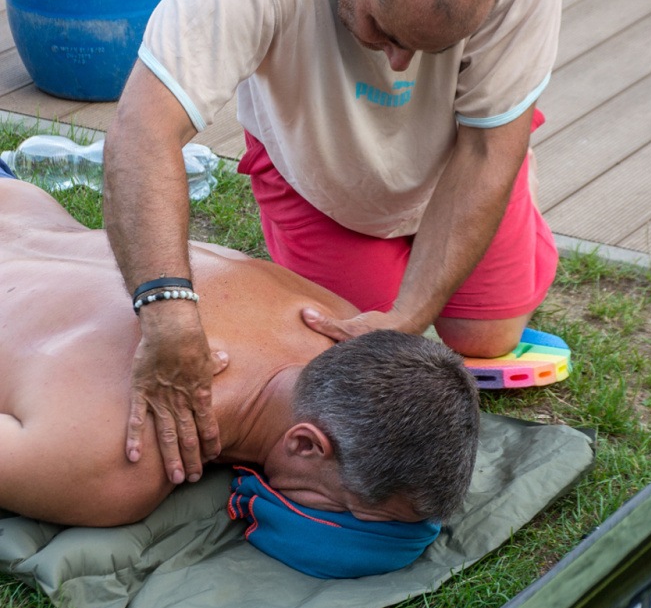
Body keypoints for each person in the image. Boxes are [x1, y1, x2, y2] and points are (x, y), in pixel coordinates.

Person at [103, 0, 561, 486]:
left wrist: (410, 316)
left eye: (427, 49)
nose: (399, 64)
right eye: (385, 29)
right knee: (336, 362)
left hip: (462, 148)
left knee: (485, 340)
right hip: (312, 162)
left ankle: (510, 173)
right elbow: (141, 130)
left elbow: (489, 146)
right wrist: (167, 317)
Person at [0, 171, 479, 576]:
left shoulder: (335, 318)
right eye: (354, 512)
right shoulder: (123, 460)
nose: (351, 525)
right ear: (304, 444)